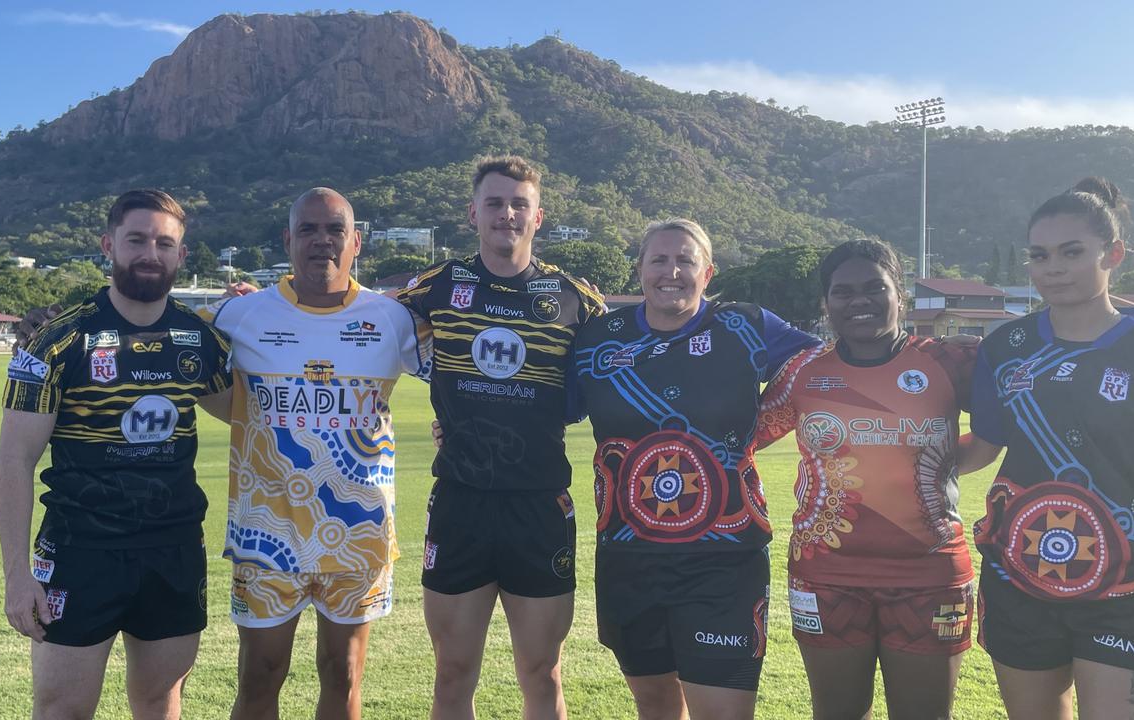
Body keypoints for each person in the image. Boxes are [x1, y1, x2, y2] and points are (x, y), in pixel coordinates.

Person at [963, 178, 1134, 719]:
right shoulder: (1005, 349)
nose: (1052, 268)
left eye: (1072, 252)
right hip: (1018, 581)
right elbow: (984, 446)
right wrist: (903, 454)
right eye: (1039, 255)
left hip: (1126, 590)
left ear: (1114, 254)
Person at [0, 189, 233, 720]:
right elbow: (14, 460)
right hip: (81, 551)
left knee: (160, 703)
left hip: (172, 550)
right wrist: (16, 575)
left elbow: (254, 412)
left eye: (164, 242)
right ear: (109, 245)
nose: (151, 252)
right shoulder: (56, 340)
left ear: (181, 255)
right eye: (137, 239)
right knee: (62, 709)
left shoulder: (199, 340)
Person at [570, 218, 821, 720]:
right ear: (639, 268)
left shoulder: (744, 325)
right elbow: (541, 406)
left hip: (723, 560)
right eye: (659, 259)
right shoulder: (596, 339)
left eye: (686, 260)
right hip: (628, 556)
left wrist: (763, 425)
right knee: (657, 708)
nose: (672, 271)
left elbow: (823, 368)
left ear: (708, 272)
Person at [394, 156, 603, 720]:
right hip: (460, 502)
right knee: (454, 672)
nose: (506, 214)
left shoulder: (574, 300)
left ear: (539, 216)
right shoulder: (436, 288)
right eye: (494, 203)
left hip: (538, 504)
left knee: (542, 672)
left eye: (519, 204)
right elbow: (356, 328)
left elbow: (631, 354)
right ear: (473, 213)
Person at [201, 188, 423, 720]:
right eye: (308, 229)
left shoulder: (394, 319)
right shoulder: (237, 314)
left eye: (335, 230)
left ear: (356, 243)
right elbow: (154, 334)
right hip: (268, 533)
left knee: (343, 675)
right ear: (288, 240)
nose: (321, 240)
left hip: (359, 533)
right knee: (259, 676)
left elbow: (469, 367)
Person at [755, 238, 980, 720]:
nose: (860, 300)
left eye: (875, 287)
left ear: (900, 293)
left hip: (931, 575)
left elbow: (1002, 429)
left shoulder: (949, 362)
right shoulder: (803, 372)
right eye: (843, 291)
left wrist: (937, 460)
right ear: (827, 303)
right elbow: (741, 440)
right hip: (825, 575)